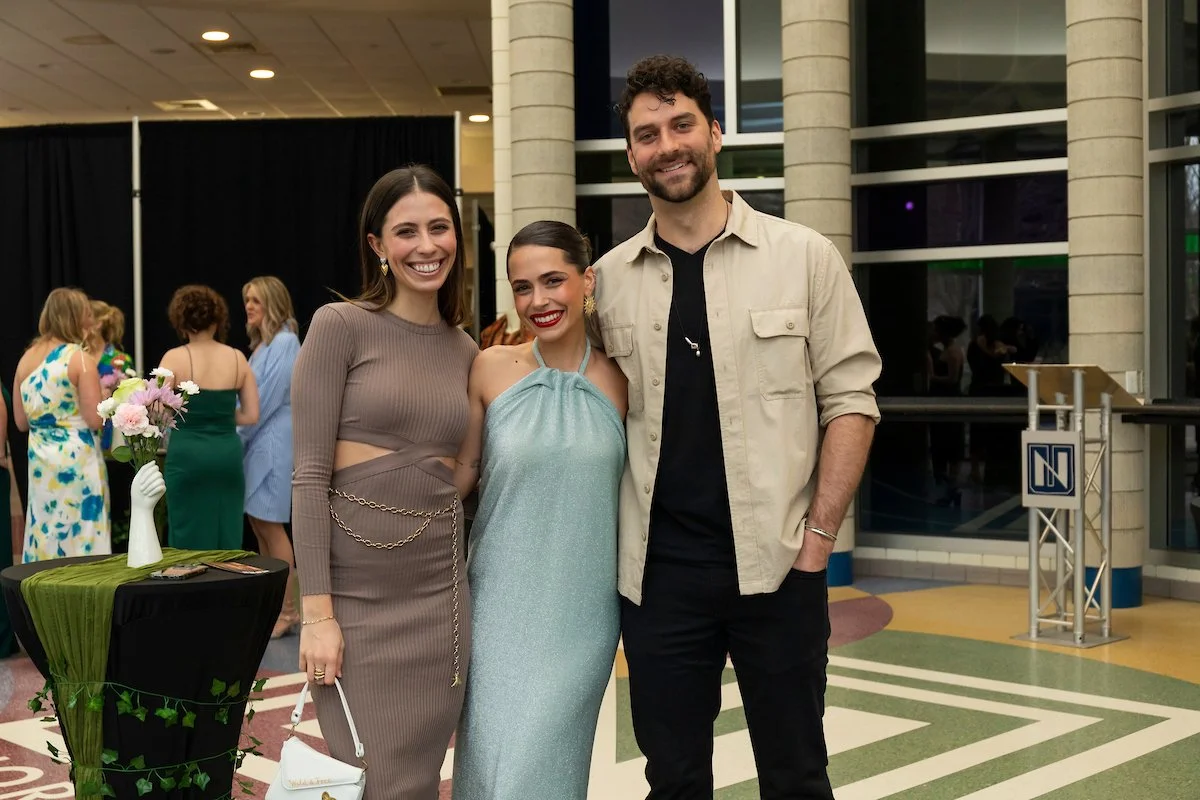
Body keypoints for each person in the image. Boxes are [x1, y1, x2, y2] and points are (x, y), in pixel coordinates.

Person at [592, 55, 882, 798]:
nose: (667, 145)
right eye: (647, 134)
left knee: (796, 776)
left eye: (681, 124)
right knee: (675, 779)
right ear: (632, 156)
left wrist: (819, 541)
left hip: (781, 568)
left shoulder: (805, 258)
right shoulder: (610, 283)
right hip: (658, 581)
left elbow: (851, 400)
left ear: (715, 133)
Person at [291, 164, 478, 799]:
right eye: (406, 232)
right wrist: (316, 613)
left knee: (418, 782)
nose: (426, 246)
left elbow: (464, 473)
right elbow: (309, 477)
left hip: (440, 602)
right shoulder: (338, 326)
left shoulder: (466, 351)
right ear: (377, 245)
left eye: (439, 228)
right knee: (365, 779)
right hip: (355, 607)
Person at [450, 221, 627, 799]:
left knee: (546, 770)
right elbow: (460, 478)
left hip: (583, 614)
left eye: (554, 281)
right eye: (522, 287)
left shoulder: (626, 380)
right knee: (493, 768)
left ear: (587, 281)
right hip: (496, 609)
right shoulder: (488, 366)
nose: (539, 301)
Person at [12, 288, 110, 562]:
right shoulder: (79, 358)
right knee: (82, 535)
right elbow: (94, 419)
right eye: (88, 315)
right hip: (78, 462)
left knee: (45, 531)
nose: (91, 322)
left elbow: (21, 422)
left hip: (42, 464)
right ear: (76, 318)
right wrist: (107, 400)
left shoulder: (25, 359)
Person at [159, 285, 259, 550]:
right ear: (217, 320)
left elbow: (157, 411)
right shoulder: (238, 358)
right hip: (226, 457)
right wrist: (221, 416)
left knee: (186, 536)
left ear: (181, 321)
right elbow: (251, 415)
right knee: (226, 535)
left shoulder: (174, 357)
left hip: (187, 456)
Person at [237, 276, 302, 639]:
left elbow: (265, 399)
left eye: (256, 300)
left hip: (274, 440)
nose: (249, 306)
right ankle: (273, 606)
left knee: (271, 525)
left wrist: (237, 434)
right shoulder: (261, 346)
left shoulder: (285, 341)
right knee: (260, 525)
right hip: (257, 440)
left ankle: (288, 611)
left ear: (273, 303)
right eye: (247, 299)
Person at [87, 300, 135, 455]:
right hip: (83, 434)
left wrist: (112, 397)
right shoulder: (76, 357)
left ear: (99, 323)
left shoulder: (120, 360)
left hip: (112, 436)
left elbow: (132, 400)